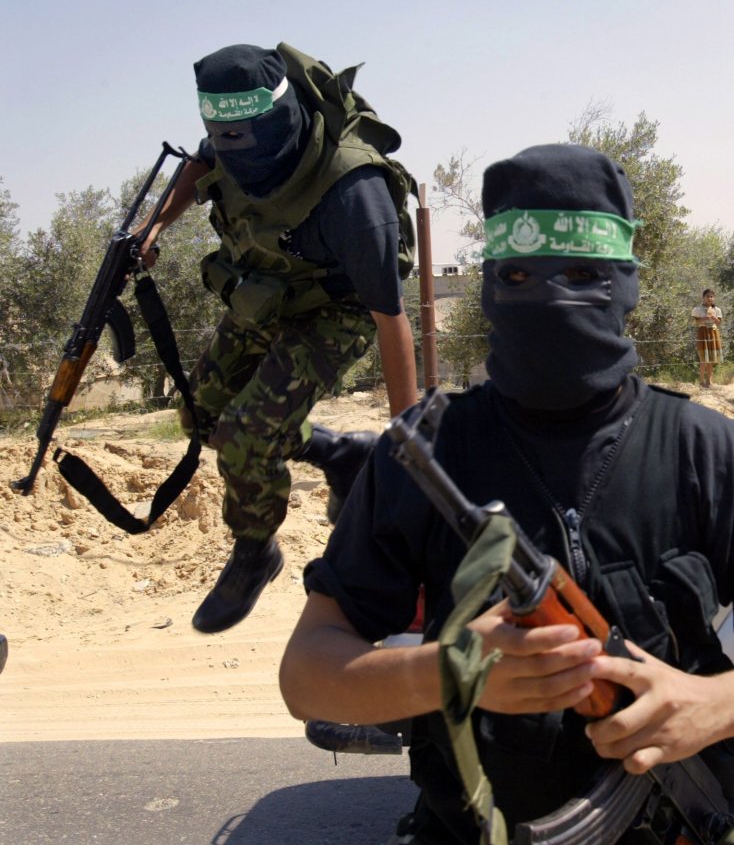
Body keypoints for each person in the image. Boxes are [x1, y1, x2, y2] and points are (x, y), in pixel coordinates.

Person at [280, 144, 734, 844]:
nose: (550, 299)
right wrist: (452, 671)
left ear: (626, 281)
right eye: (520, 275)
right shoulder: (426, 453)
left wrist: (715, 703)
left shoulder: (701, 446)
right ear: (491, 283)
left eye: (582, 275)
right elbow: (308, 674)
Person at [139, 42, 419, 634]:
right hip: (266, 290)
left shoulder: (353, 194)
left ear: (280, 119)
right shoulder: (231, 132)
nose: (232, 151)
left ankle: (254, 550)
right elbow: (201, 163)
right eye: (223, 137)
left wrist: (408, 439)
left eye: (245, 140)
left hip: (336, 310)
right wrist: (156, 222)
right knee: (201, 417)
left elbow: (392, 320)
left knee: (246, 437)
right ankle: (339, 453)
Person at [692, 288, 723, 388]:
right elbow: (696, 322)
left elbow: (718, 323)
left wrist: (714, 318)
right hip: (702, 333)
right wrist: (704, 318)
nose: (709, 298)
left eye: (711, 296)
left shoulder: (717, 310)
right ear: (703, 297)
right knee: (703, 359)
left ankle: (709, 382)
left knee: (712, 358)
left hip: (713, 333)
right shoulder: (697, 309)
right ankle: (701, 382)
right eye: (707, 296)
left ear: (714, 298)